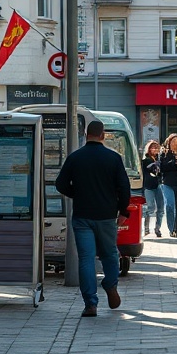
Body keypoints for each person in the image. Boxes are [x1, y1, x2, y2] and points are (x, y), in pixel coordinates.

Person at [55, 120, 131, 318]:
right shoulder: (114, 158)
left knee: (86, 259)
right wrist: (123, 210)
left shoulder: (75, 158)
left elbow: (60, 184)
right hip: (106, 216)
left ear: (86, 134)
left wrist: (76, 193)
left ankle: (90, 304)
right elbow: (124, 187)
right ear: (103, 135)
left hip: (82, 216)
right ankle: (110, 283)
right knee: (110, 255)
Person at [141, 140, 165, 237]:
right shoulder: (146, 160)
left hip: (158, 185)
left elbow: (161, 172)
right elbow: (148, 169)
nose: (155, 149)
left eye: (156, 147)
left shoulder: (159, 159)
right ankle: (146, 228)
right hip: (148, 186)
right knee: (150, 208)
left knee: (161, 208)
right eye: (153, 147)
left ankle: (157, 228)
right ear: (149, 149)